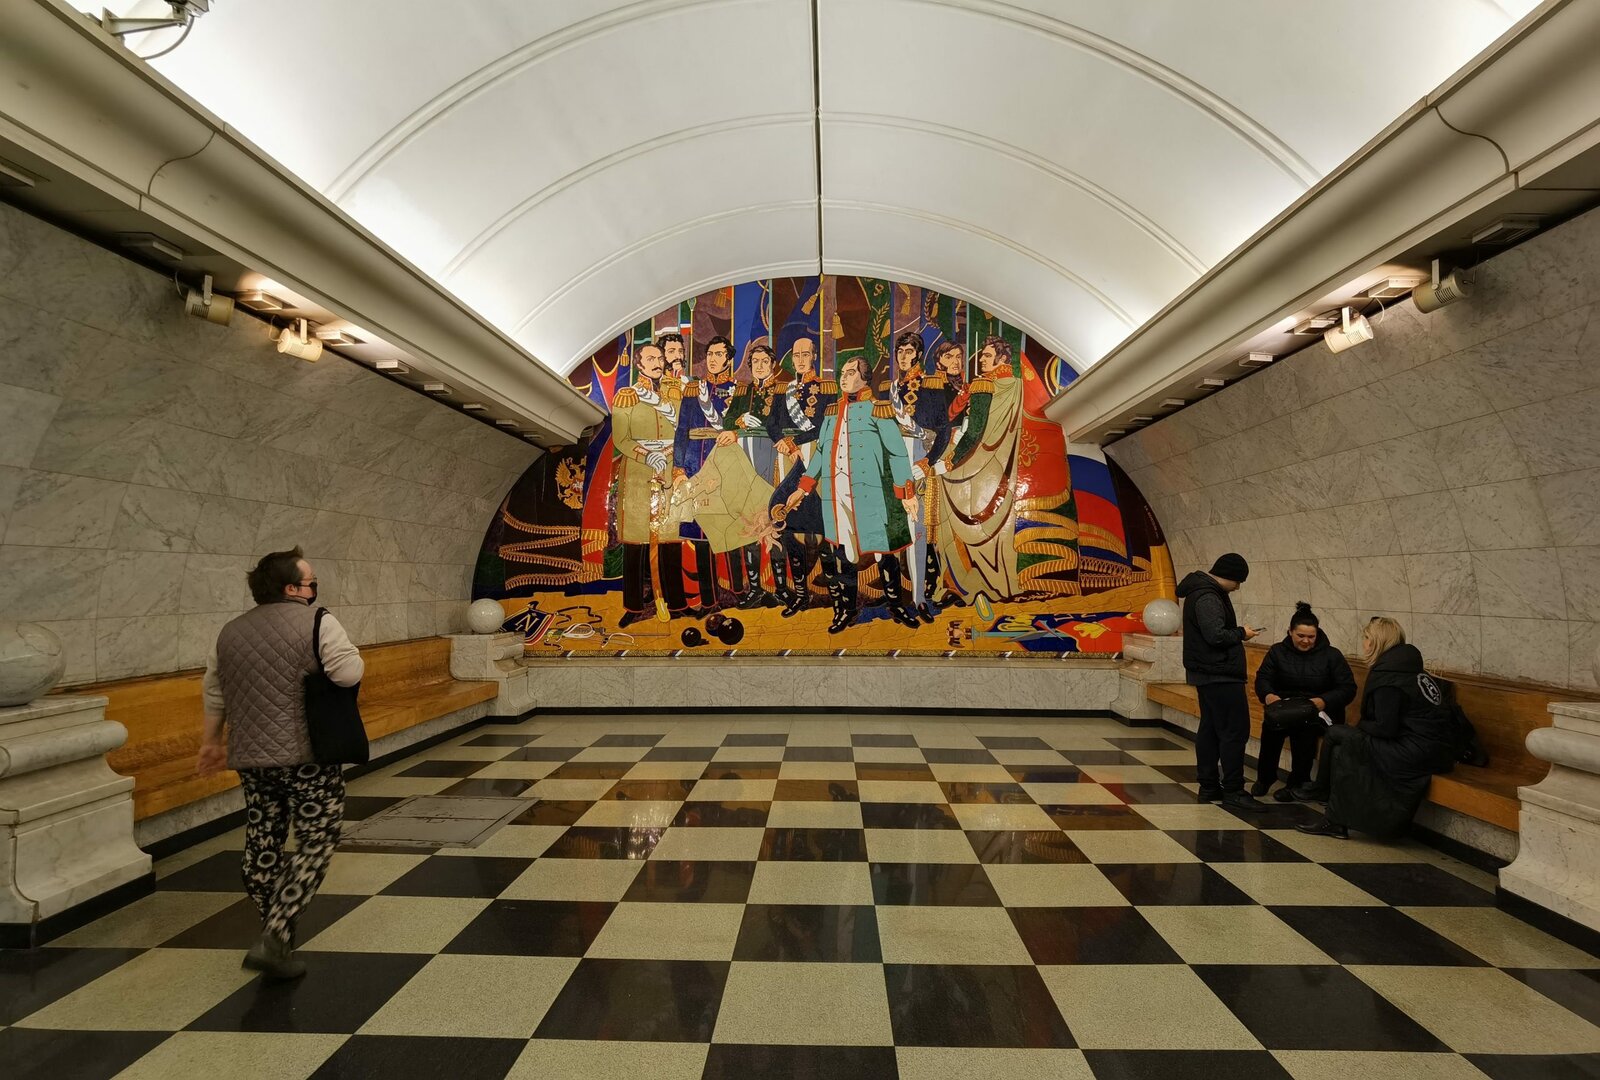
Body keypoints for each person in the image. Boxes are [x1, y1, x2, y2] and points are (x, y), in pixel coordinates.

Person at [195, 547, 363, 981]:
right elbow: (348, 674)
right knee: (316, 841)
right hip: (307, 758)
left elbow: (214, 691)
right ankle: (276, 934)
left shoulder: (229, 632)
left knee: (262, 842)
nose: (314, 587)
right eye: (310, 581)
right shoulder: (318, 621)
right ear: (292, 589)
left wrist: (211, 742)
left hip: (251, 759)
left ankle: (274, 931)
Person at [785, 353, 920, 632]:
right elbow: (821, 453)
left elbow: (897, 453)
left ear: (864, 378)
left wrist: (907, 493)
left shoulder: (878, 409)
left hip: (873, 496)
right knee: (842, 552)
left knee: (883, 551)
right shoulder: (832, 412)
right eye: (842, 373)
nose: (843, 378)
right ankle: (845, 610)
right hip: (837, 496)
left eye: (850, 372)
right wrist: (802, 488)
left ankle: (896, 606)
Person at [1296, 617, 1457, 839]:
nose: (1364, 643)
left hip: (1414, 752)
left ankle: (1325, 798)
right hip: (1435, 750)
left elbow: (1385, 728)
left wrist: (1360, 725)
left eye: (1366, 638)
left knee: (1339, 738)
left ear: (1375, 642)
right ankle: (1330, 809)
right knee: (1342, 742)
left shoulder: (1389, 678)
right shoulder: (1411, 669)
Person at [934, 336, 1023, 601]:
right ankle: (986, 582)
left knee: (953, 515)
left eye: (986, 355)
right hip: (1005, 466)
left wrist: (948, 461)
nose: (980, 359)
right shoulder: (1017, 385)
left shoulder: (984, 386)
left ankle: (962, 582)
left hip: (978, 465)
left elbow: (975, 433)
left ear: (1002, 359)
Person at [1176, 553, 1265, 811]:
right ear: (1229, 576)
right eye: (1238, 581)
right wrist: (1242, 633)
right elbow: (1215, 635)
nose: (1238, 587)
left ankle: (1209, 786)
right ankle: (1233, 790)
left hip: (1209, 672)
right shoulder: (1208, 596)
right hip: (1219, 673)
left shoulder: (1201, 591)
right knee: (1234, 731)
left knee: (1211, 729)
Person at [612, 342, 687, 626]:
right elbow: (621, 439)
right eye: (650, 358)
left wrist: (668, 454)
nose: (657, 362)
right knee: (635, 540)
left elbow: (684, 429)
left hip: (669, 467)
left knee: (670, 537)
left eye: (659, 357)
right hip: (637, 474)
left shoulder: (675, 392)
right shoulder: (627, 397)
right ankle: (634, 606)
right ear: (639, 364)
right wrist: (646, 455)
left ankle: (676, 603)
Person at [1252, 601, 1357, 801]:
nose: (1306, 641)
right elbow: (1263, 679)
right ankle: (1265, 778)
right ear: (1290, 632)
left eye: (1311, 637)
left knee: (1304, 730)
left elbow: (1347, 688)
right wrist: (1269, 695)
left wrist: (1324, 700)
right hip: (1285, 707)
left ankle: (1297, 783)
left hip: (1317, 712)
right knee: (1271, 727)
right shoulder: (1277, 652)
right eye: (1301, 636)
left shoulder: (1332, 655)